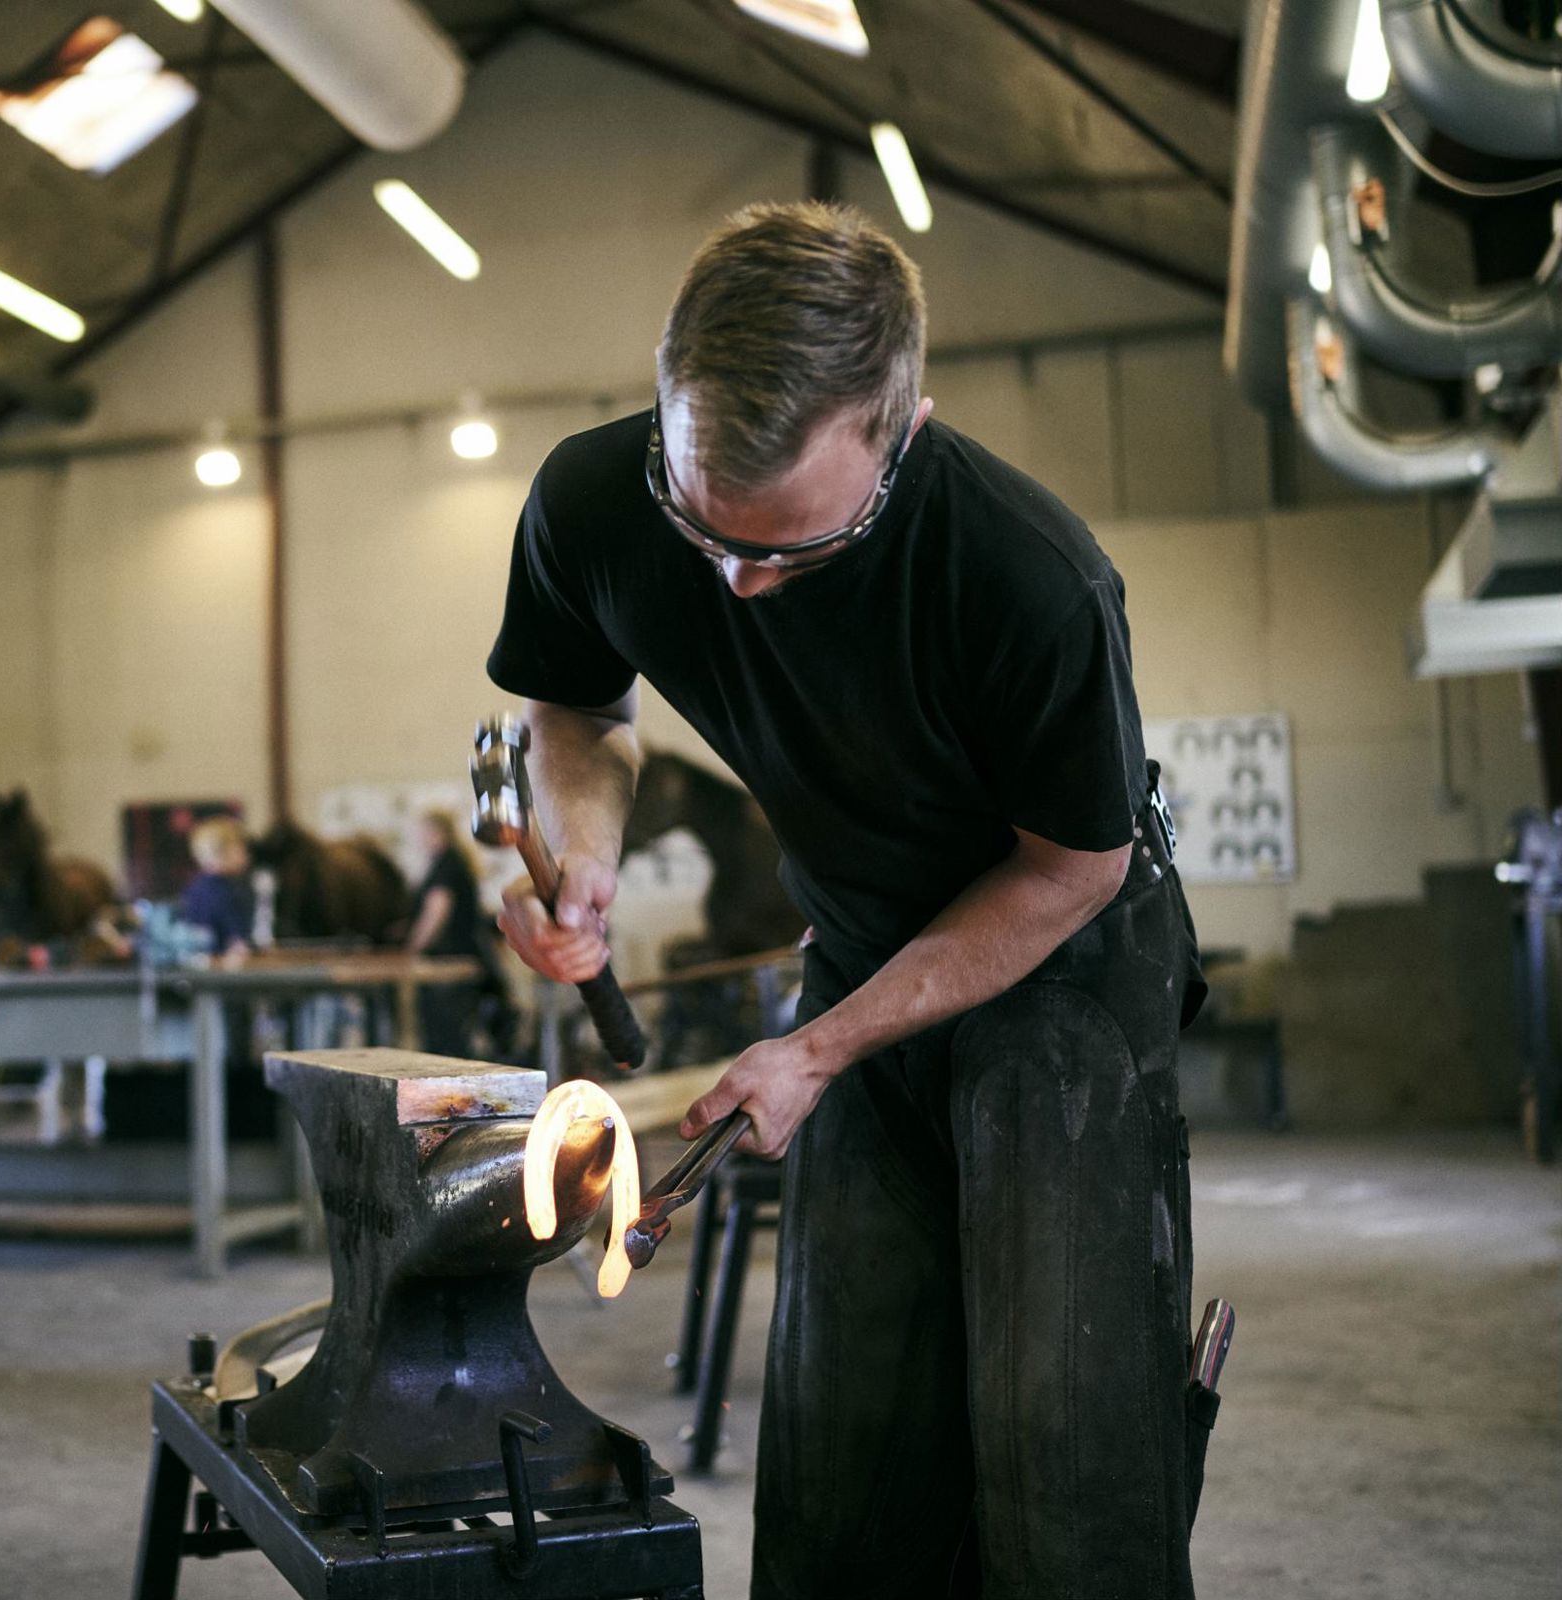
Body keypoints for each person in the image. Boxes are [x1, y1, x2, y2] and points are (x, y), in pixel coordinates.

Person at [486, 201, 1208, 1600]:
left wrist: (818, 1048)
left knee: (1060, 1441)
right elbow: (573, 706)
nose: (746, 587)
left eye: (797, 550)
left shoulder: (1031, 579)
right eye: (708, 534)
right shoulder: (588, 503)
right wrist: (585, 853)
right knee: (840, 1435)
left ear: (904, 428)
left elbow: (1072, 867)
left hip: (1068, 957)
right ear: (664, 403)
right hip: (866, 938)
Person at [401, 809, 488, 1055]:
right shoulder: (451, 861)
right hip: (453, 963)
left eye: (423, 833)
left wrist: (412, 948)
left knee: (445, 1041)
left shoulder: (447, 864)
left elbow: (436, 913)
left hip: (447, 966)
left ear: (437, 833)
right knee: (452, 1038)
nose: (420, 840)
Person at [177, 816, 254, 961]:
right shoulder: (226, 892)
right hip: (222, 970)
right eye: (240, 848)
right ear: (221, 852)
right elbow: (239, 943)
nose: (245, 854)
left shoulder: (194, 888)